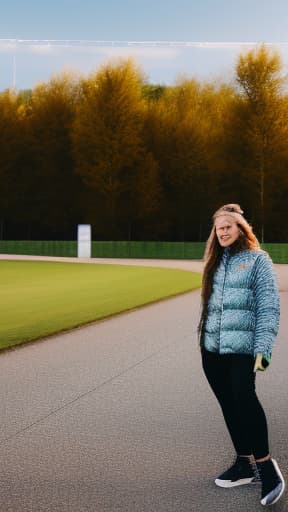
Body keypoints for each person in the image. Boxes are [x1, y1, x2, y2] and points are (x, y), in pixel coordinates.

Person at [198, 203, 285, 506]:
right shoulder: (214, 261)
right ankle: (243, 463)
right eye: (218, 227)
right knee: (228, 403)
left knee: (244, 399)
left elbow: (269, 307)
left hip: (244, 347)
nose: (222, 231)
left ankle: (267, 468)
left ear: (240, 229)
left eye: (228, 226)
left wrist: (264, 348)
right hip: (212, 349)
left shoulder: (258, 260)